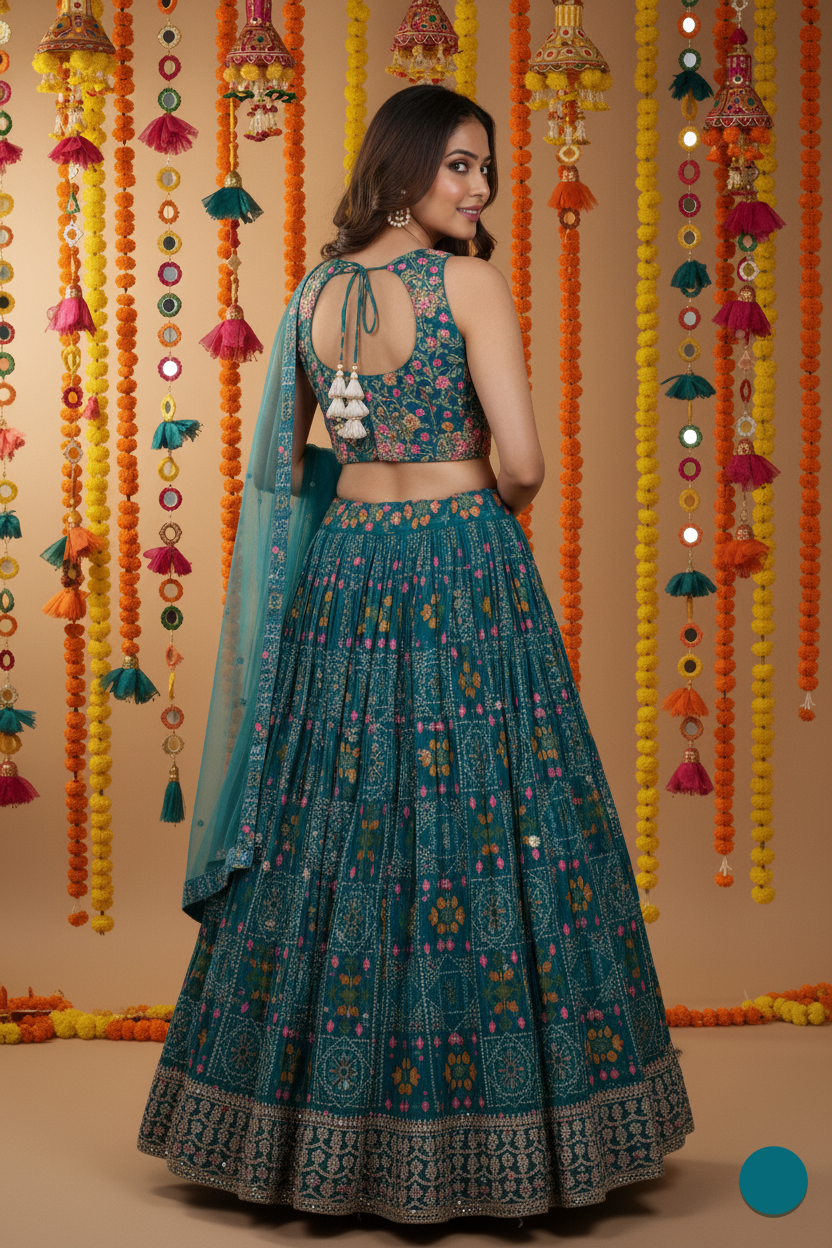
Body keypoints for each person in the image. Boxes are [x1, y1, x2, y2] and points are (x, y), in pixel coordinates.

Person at [138, 84, 694, 1221]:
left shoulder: (311, 293)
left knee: (337, 820)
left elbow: (298, 466)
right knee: (486, 820)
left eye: (485, 169)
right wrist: (479, 513)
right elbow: (525, 460)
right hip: (456, 557)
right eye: (457, 167)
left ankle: (296, 1139)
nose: (478, 189)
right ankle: (508, 1139)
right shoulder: (468, 283)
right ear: (401, 172)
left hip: (344, 567)